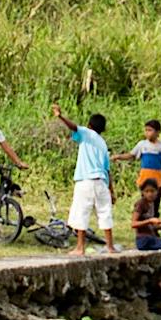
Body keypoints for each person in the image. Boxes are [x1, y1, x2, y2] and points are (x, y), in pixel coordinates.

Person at [51, 102, 116, 254]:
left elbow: (73, 127)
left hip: (86, 180)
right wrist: (111, 190)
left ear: (89, 125)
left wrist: (60, 116)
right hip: (101, 182)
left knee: (81, 212)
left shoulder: (87, 134)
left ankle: (80, 247)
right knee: (105, 213)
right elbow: (108, 170)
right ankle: (110, 246)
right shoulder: (103, 144)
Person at [116, 119, 161, 185]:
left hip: (157, 178)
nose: (147, 132)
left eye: (150, 130)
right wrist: (118, 156)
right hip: (145, 177)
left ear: (158, 132)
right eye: (146, 130)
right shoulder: (142, 144)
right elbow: (131, 155)